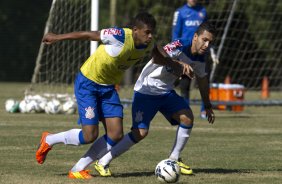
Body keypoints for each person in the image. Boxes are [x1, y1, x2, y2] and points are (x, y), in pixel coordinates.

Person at [35, 12, 192, 179]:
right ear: (135, 30)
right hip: (88, 83)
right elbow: (89, 35)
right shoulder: (120, 36)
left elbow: (158, 52)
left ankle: (77, 169)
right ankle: (50, 139)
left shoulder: (148, 43)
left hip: (108, 89)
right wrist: (57, 37)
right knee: (89, 135)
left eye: (152, 32)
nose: (150, 36)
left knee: (116, 134)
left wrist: (175, 65)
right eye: (147, 32)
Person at [94, 21, 216, 177]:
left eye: (210, 42)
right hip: (146, 89)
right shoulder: (180, 45)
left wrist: (207, 105)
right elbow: (157, 55)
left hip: (165, 92)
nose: (206, 45)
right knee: (140, 132)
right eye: (204, 40)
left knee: (187, 118)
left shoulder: (201, 58)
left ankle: (174, 159)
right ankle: (103, 161)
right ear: (195, 37)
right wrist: (178, 63)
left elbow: (203, 80)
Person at [172, 0, 208, 119]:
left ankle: (204, 110)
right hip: (185, 53)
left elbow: (207, 32)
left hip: (200, 53)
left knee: (203, 81)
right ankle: (186, 109)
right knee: (185, 83)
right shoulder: (180, 12)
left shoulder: (203, 11)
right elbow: (175, 33)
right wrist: (176, 52)